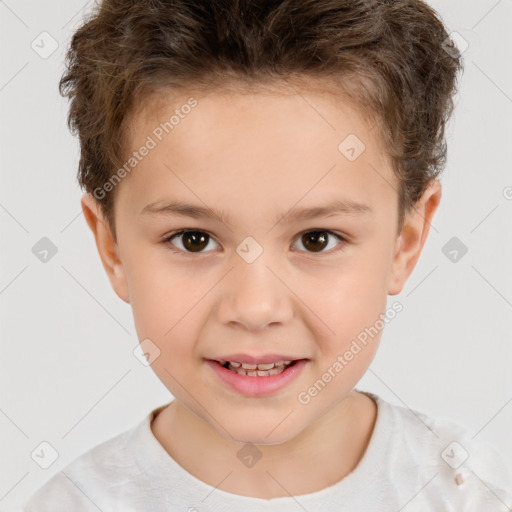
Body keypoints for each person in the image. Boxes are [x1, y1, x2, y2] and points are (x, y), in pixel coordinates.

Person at [23, 0, 512, 510]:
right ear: (113, 248)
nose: (255, 308)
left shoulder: (473, 496)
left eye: (317, 239)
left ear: (405, 240)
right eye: (193, 239)